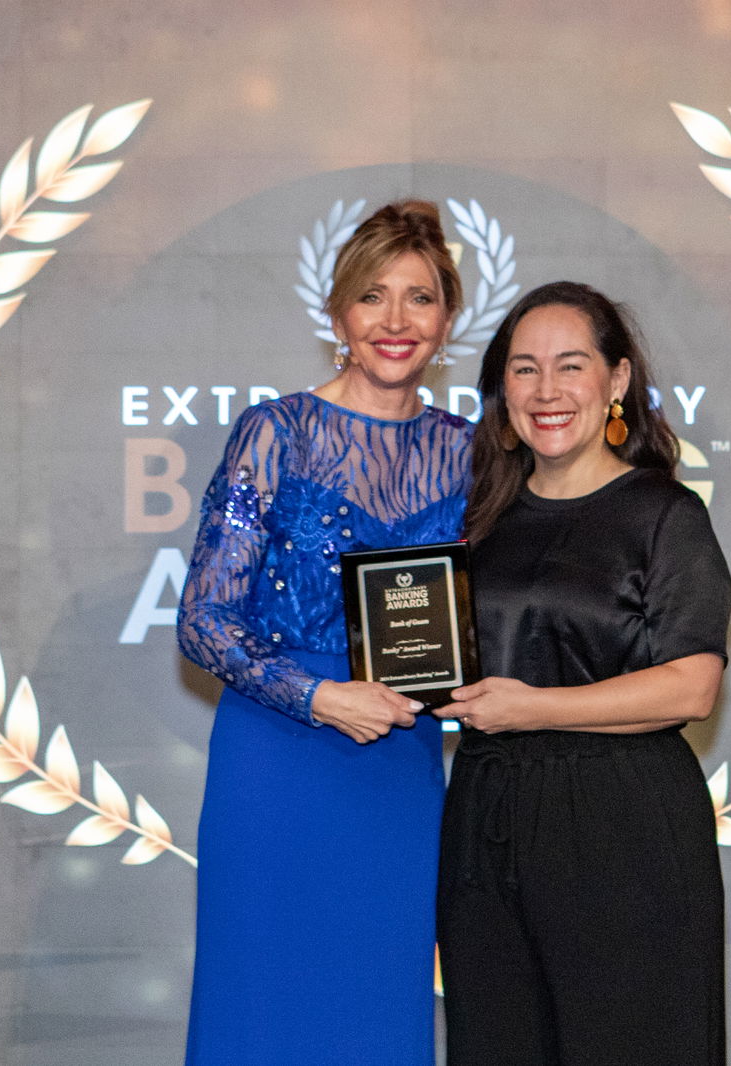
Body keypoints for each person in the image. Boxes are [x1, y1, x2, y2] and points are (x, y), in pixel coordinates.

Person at [176, 200, 470, 1066]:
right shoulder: (276, 433)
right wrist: (317, 695)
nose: (395, 321)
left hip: (396, 769)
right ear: (338, 312)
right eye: (373, 296)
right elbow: (202, 620)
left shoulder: (473, 450)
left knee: (379, 1009)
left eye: (419, 298)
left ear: (448, 319)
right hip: (275, 767)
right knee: (261, 1008)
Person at [434, 281, 731, 1065]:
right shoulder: (479, 523)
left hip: (622, 825)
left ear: (618, 381)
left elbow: (692, 686)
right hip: (488, 817)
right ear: (502, 391)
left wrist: (533, 708)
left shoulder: (665, 516)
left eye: (571, 366)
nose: (547, 390)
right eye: (524, 370)